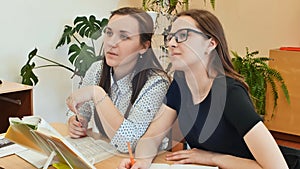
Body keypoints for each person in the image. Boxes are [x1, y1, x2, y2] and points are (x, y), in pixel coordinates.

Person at [118, 9, 289, 169]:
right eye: (169, 37)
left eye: (182, 35)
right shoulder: (180, 83)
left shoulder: (230, 93)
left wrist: (213, 158)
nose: (171, 43)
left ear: (211, 44)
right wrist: (141, 161)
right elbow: (153, 136)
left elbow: (278, 167)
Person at [66, 7, 170, 153]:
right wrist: (75, 121)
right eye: (109, 33)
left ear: (144, 47)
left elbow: (128, 144)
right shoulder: (97, 69)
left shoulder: (156, 83)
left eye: (124, 37)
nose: (111, 43)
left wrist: (97, 94)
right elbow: (80, 111)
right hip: (107, 152)